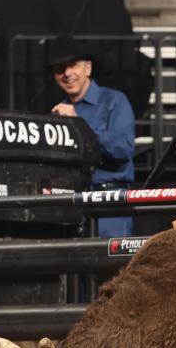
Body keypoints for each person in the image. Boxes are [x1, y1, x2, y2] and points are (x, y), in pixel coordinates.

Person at [48, 35, 136, 237]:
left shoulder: (114, 100)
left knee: (111, 266)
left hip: (108, 202)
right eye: (60, 68)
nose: (67, 73)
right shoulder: (58, 113)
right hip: (71, 204)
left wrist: (79, 125)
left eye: (72, 65)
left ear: (88, 68)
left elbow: (122, 148)